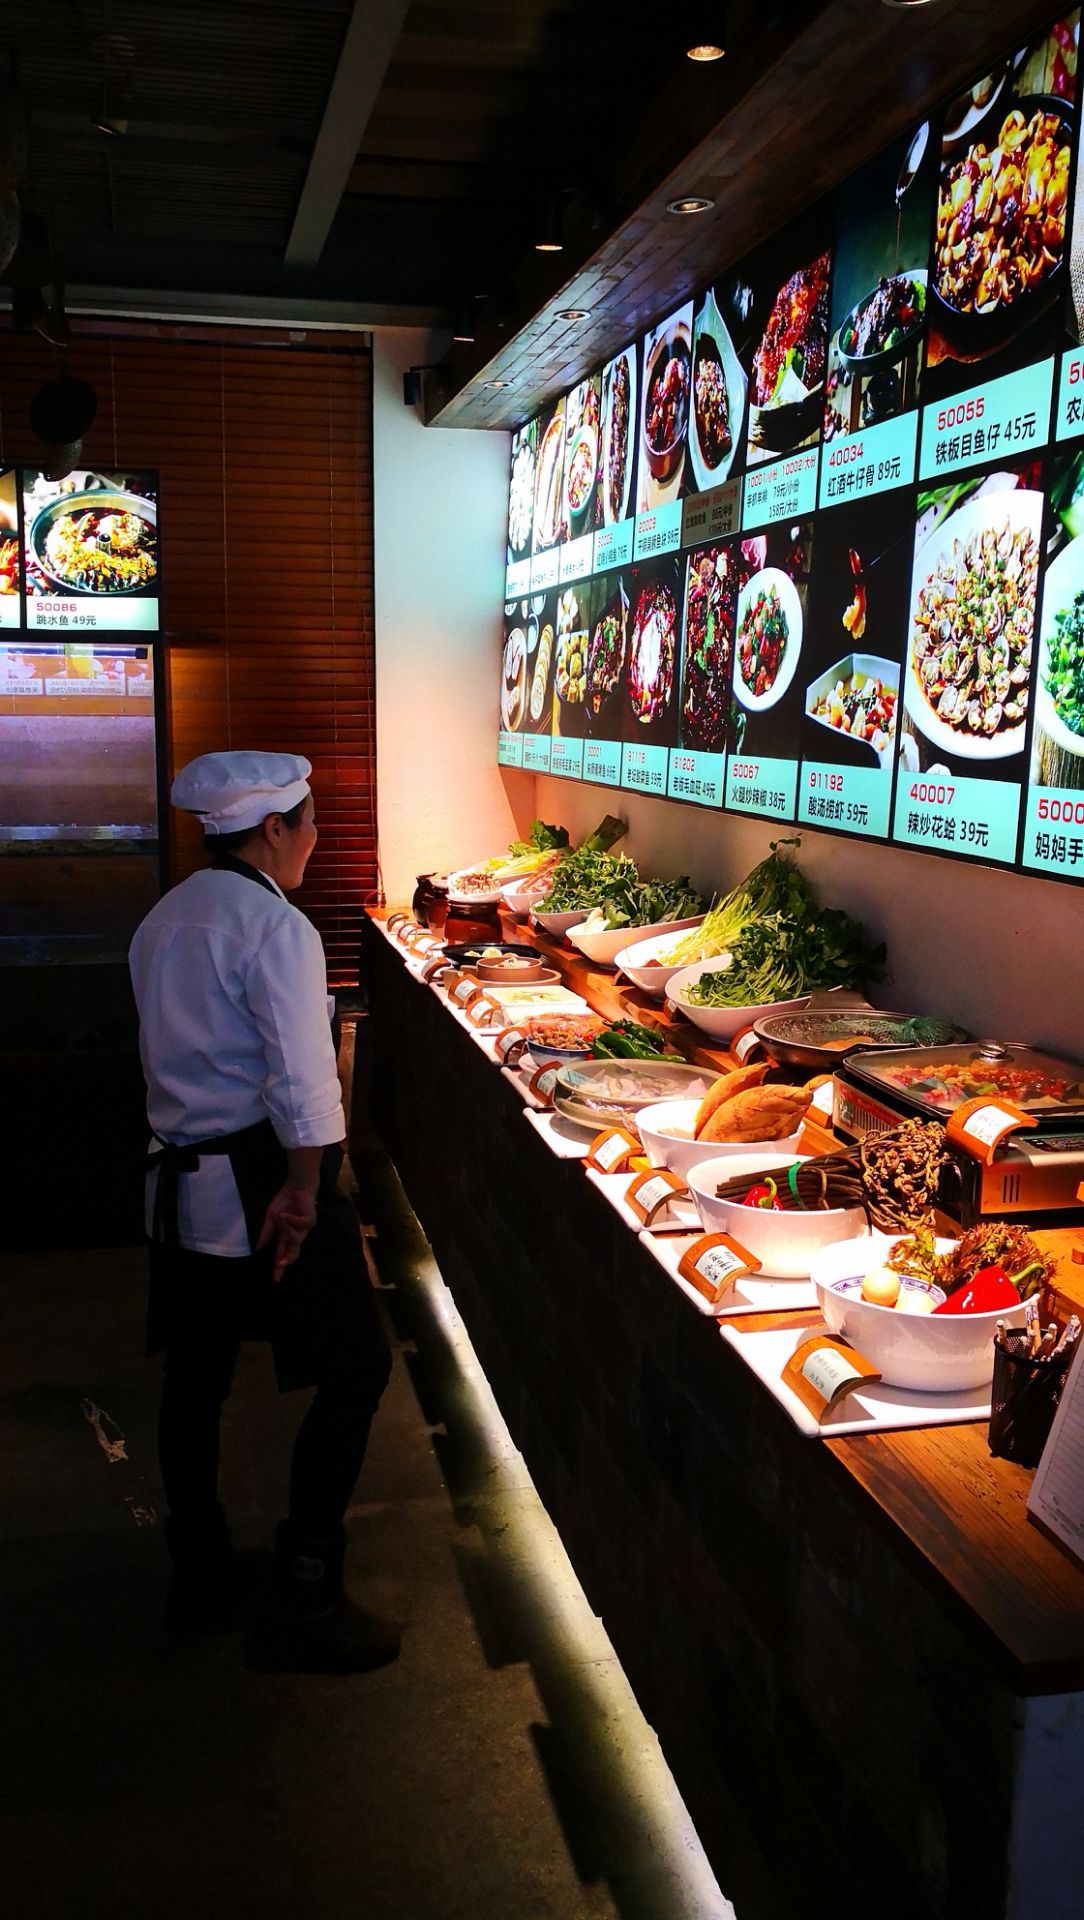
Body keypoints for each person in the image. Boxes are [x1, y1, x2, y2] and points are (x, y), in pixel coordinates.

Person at [128, 749, 398, 1674]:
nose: (316, 839)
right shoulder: (274, 926)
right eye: (311, 823)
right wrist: (304, 1190)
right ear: (275, 828)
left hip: (176, 1181)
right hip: (259, 1178)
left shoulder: (166, 916)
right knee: (357, 1366)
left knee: (195, 1378)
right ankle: (307, 1591)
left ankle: (200, 1577)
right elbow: (302, 1078)